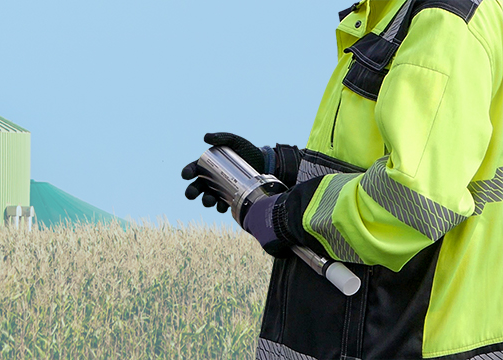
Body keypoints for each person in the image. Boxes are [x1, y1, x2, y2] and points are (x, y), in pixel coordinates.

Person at [181, 0, 503, 359]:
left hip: (397, 335)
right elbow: (390, 159)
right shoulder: (396, 11)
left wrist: (288, 214)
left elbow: (413, 197)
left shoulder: (448, 20)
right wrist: (279, 165)